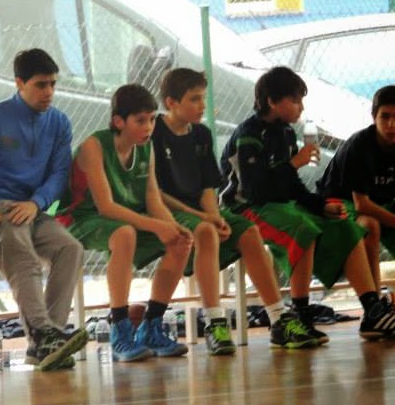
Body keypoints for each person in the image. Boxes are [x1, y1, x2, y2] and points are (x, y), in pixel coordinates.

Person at [220, 66, 395, 342]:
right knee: (303, 228)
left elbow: (293, 186)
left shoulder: (286, 133)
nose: (301, 107)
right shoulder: (249, 134)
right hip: (246, 208)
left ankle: (372, 309)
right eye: (295, 100)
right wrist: (293, 163)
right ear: (272, 101)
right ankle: (300, 314)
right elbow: (255, 190)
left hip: (281, 205)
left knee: (344, 226)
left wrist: (319, 206)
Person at [0, 49, 88, 371]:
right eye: (40, 85)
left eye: (53, 84)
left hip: (32, 210)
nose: (49, 92)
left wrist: (36, 203)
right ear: (19, 83)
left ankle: (46, 342)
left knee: (70, 249)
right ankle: (44, 334)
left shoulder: (59, 122)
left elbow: (59, 174)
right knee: (24, 258)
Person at [153, 68, 318, 350]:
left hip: (202, 212)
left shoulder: (202, 133)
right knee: (206, 231)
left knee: (249, 232)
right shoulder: (155, 132)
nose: (202, 105)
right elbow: (155, 194)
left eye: (203, 98)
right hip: (167, 211)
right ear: (171, 103)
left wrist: (215, 215)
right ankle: (215, 323)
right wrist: (205, 217)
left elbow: (209, 187)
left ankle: (279, 318)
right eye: (194, 99)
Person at [57, 83, 193, 361]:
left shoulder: (146, 147)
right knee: (125, 234)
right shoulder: (93, 147)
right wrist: (156, 226)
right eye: (140, 121)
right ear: (119, 121)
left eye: (152, 119)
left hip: (124, 219)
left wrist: (172, 226)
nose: (149, 127)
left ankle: (151, 327)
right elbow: (106, 207)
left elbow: (152, 198)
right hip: (81, 219)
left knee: (180, 242)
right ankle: (119, 331)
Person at [317, 85, 395, 292]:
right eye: (385, 116)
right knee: (370, 226)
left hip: (380, 202)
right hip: (341, 204)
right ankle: (374, 301)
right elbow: (362, 205)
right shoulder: (360, 145)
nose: (391, 125)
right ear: (374, 117)